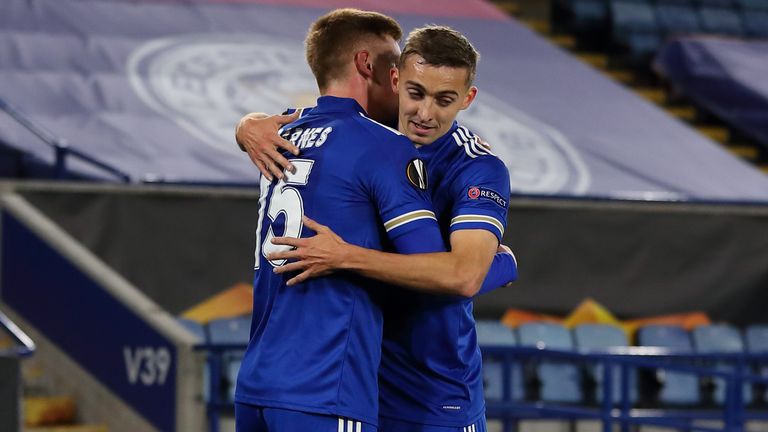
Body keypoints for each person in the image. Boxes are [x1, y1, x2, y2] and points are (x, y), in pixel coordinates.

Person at [235, 10, 517, 432]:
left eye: (444, 100)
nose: (424, 113)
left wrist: (349, 257)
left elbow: (463, 276)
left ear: (467, 99)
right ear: (396, 81)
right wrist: (246, 127)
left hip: (435, 399)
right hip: (358, 386)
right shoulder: (371, 140)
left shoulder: (476, 168)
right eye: (416, 93)